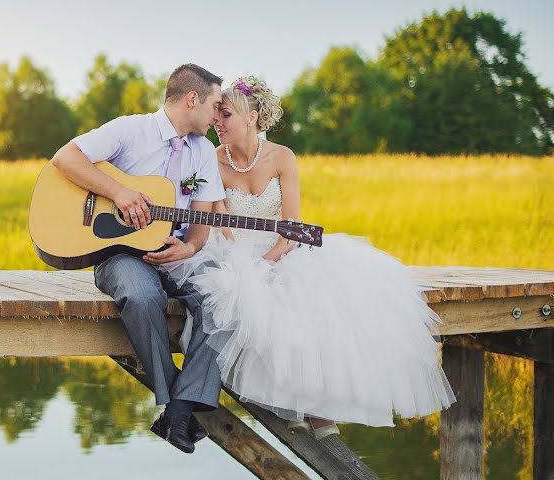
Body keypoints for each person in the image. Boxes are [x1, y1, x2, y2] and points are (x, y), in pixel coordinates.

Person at [161, 76, 456, 438]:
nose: (217, 122)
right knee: (243, 298)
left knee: (313, 297)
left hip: (281, 247)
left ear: (253, 116)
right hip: (232, 248)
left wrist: (271, 257)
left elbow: (292, 221)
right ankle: (294, 407)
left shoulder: (283, 157)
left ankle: (314, 408)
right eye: (216, 115)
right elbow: (220, 223)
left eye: (226, 114)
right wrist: (243, 259)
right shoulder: (210, 158)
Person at [50, 63, 227, 454]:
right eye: (215, 105)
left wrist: (192, 248)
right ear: (192, 99)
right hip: (118, 252)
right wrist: (119, 192)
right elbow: (66, 158)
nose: (218, 115)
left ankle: (177, 410)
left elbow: (202, 219)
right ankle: (178, 405)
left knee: (225, 294)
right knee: (143, 296)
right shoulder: (131, 130)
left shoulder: (203, 152)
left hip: (176, 252)